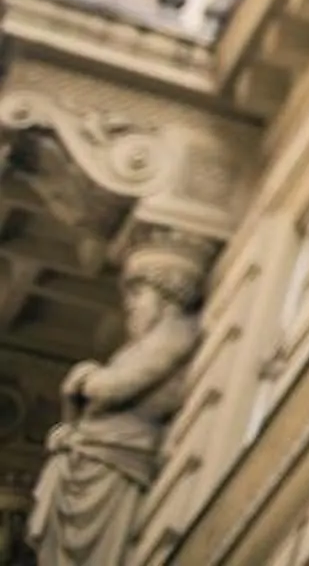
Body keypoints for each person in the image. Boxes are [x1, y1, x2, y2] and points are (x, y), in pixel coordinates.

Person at [29, 242, 205, 566]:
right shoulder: (138, 347)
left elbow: (111, 389)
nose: (130, 306)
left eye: (138, 295)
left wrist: (87, 376)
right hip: (96, 449)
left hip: (114, 453)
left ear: (167, 295)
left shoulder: (174, 333)